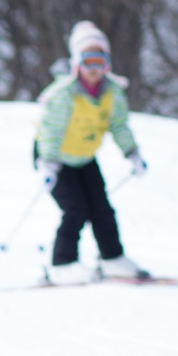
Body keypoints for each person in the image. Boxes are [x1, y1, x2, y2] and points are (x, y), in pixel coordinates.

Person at [34, 20, 148, 280]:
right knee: (75, 209)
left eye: (100, 60)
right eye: (88, 60)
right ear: (76, 62)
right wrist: (48, 163)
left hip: (84, 157)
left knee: (101, 208)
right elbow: (50, 130)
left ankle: (112, 258)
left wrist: (133, 153)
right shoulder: (64, 93)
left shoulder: (112, 91)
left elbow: (119, 125)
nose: (94, 69)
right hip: (56, 158)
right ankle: (63, 264)